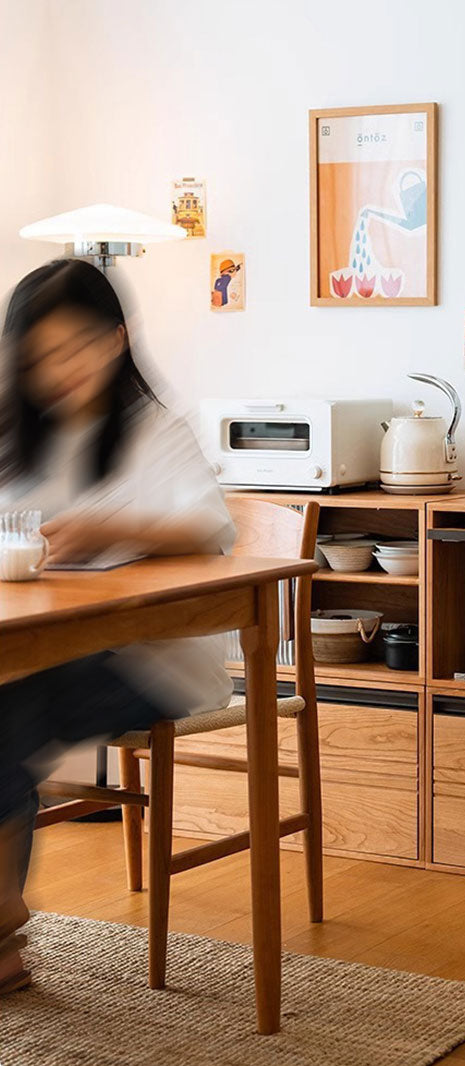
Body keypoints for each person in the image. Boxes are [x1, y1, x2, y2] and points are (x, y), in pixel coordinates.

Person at [0, 259, 235, 995]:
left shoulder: (152, 427)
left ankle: (1, 926)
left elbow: (212, 527)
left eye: (74, 347)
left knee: (9, 708)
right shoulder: (20, 436)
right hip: (45, 648)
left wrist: (111, 522)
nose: (58, 370)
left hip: (156, 660)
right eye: (38, 357)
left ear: (116, 339)